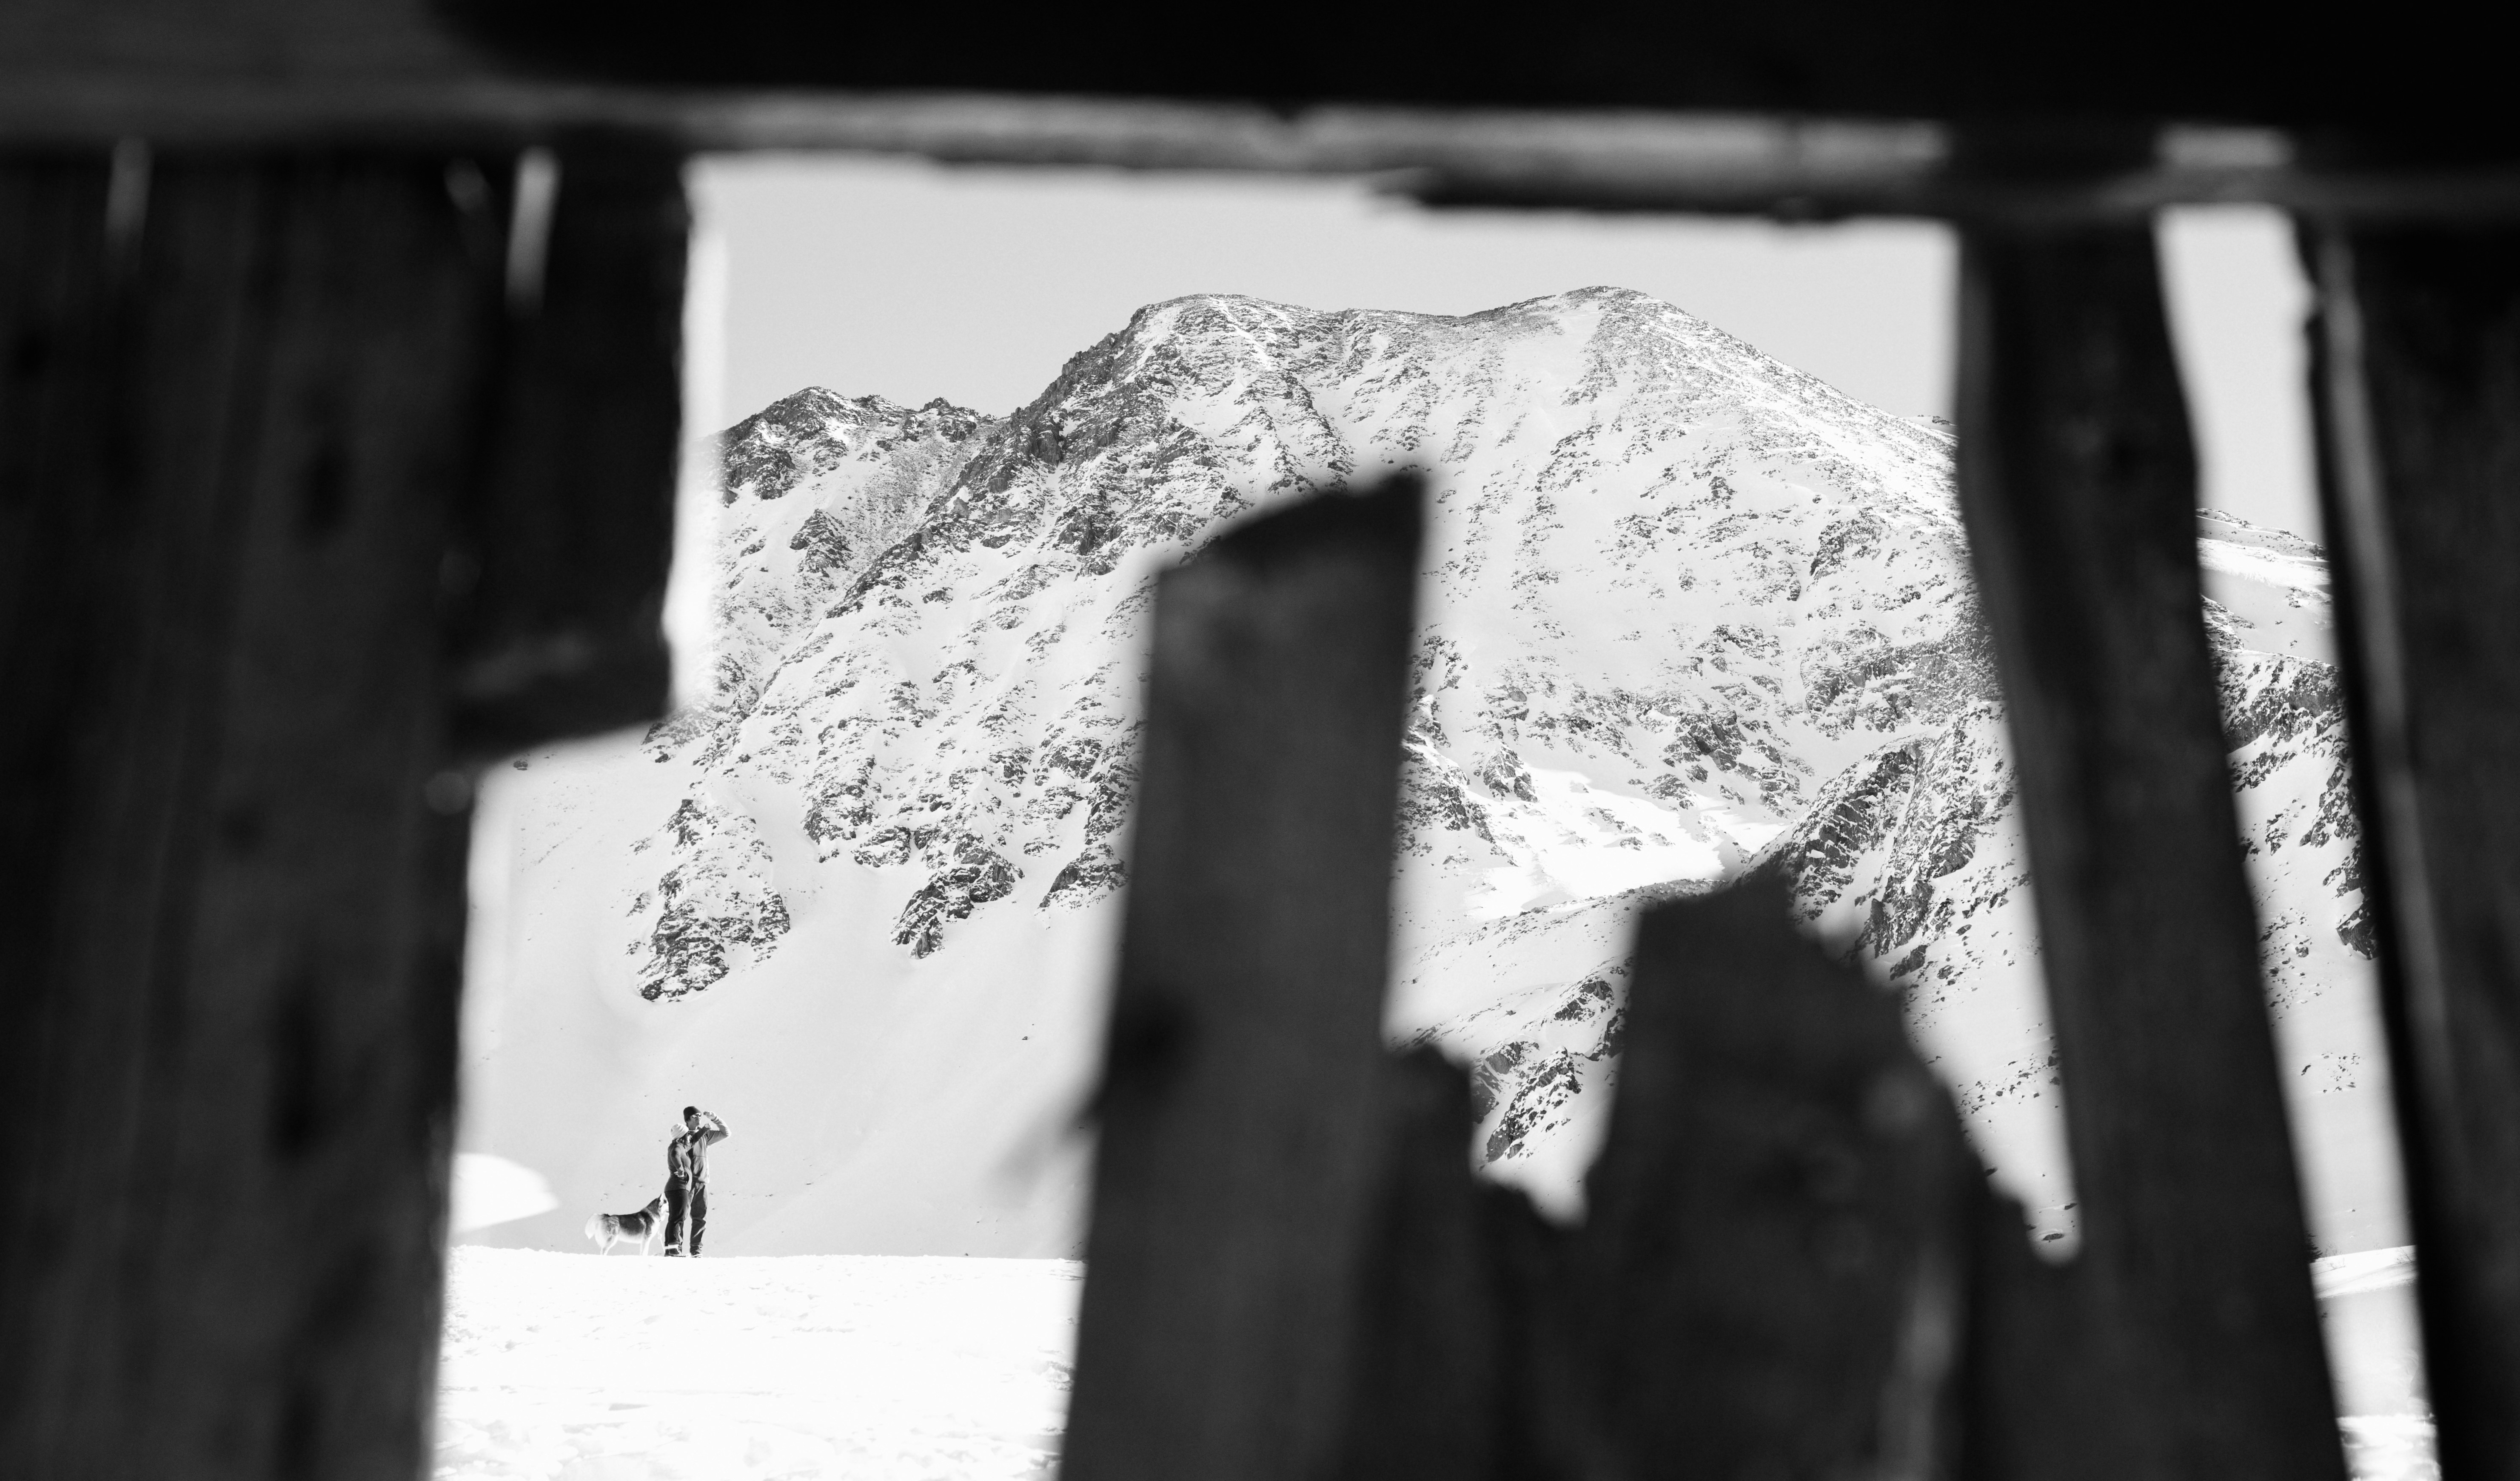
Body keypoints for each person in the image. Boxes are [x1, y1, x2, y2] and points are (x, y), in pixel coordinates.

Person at [661, 1105, 729, 1256]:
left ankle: (696, 1250)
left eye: (700, 1115)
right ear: (687, 1119)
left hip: (702, 1181)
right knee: (681, 1216)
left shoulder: (704, 1136)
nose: (699, 1117)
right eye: (695, 1116)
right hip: (686, 1183)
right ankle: (676, 1248)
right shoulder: (684, 1138)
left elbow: (726, 1133)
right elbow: (675, 1152)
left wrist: (714, 1119)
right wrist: (679, 1169)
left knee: (700, 1217)